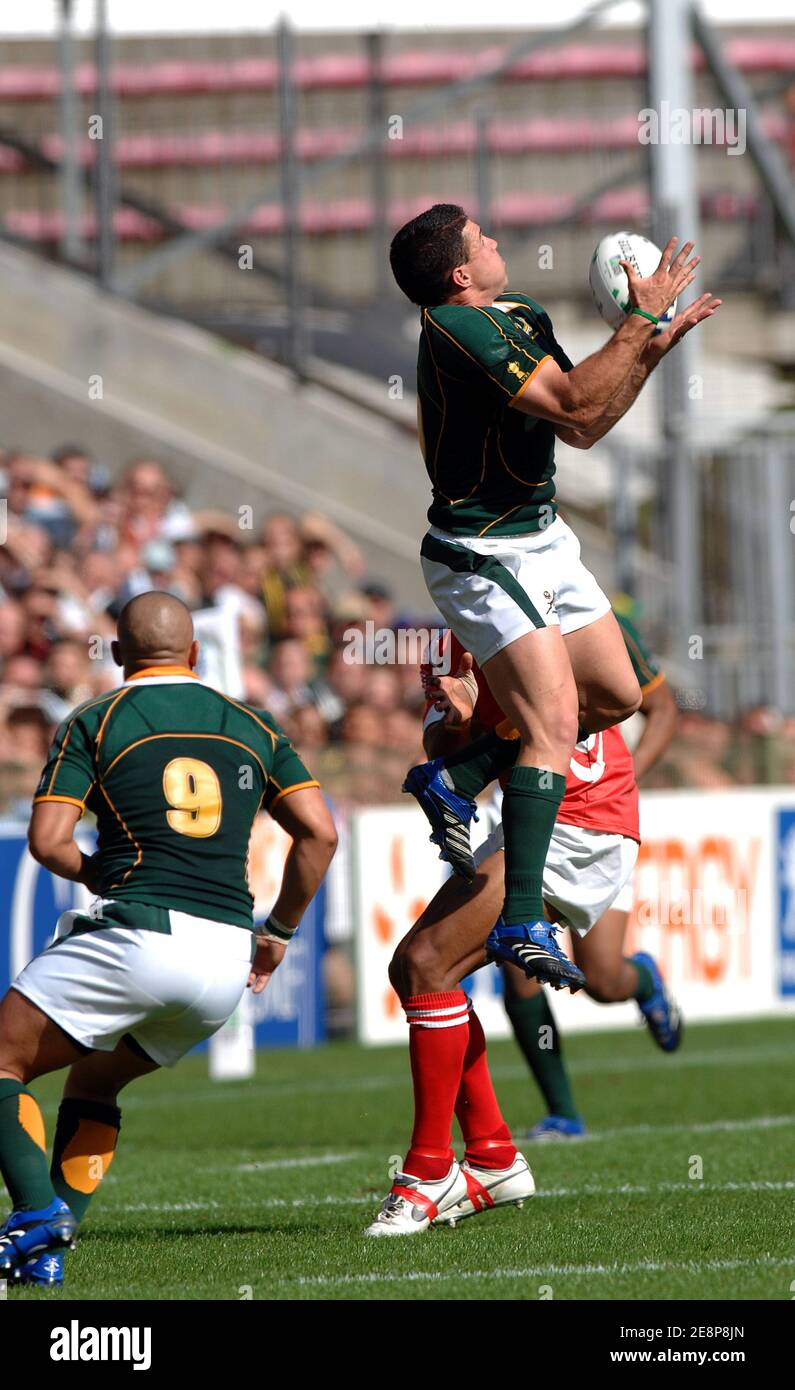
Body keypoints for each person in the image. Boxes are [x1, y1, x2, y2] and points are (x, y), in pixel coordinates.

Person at [390, 204, 719, 991]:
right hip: (481, 551)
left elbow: (583, 425)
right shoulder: (452, 330)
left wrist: (647, 350)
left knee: (615, 697)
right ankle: (522, 915)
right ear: (459, 275)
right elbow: (573, 401)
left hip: (542, 539)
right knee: (556, 721)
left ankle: (458, 780)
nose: (497, 239)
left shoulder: (520, 314)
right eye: (482, 238)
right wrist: (636, 320)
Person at [0, 591, 336, 1287]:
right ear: (193, 654)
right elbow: (320, 833)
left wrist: (97, 872)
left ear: (118, 655)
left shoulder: (97, 718)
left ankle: (36, 1213)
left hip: (142, 933)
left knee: (3, 1062)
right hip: (225, 962)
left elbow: (47, 841)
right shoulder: (253, 724)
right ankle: (48, 1253)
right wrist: (278, 932)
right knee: (97, 1079)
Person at [365, 619, 679, 1234]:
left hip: (581, 820)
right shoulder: (456, 631)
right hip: (546, 821)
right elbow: (446, 757)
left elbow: (629, 702)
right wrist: (457, 721)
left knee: (432, 963)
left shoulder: (569, 605)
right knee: (415, 967)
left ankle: (432, 1170)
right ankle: (492, 1154)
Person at [427, 618, 680, 1143]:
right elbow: (443, 753)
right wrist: (457, 722)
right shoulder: (450, 641)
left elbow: (659, 708)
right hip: (525, 812)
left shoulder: (585, 612)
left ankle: (644, 982)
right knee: (512, 961)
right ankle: (561, 1112)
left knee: (603, 979)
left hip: (598, 815)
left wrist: (634, 779)